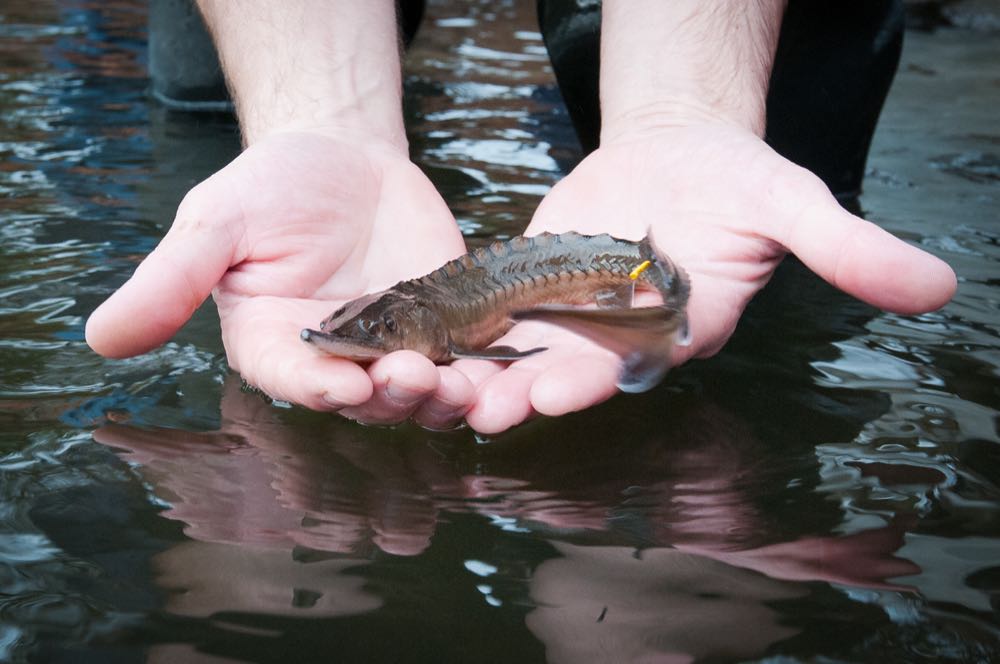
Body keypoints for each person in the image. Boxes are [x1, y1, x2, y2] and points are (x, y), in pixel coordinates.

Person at [85, 1, 956, 434]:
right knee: (207, 96)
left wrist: (685, 111)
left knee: (778, 194)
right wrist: (316, 119)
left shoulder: (446, 323)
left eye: (383, 324)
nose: (363, 332)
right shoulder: (424, 325)